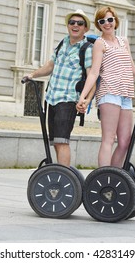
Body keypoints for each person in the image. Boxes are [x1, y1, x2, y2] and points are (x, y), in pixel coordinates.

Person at [76, 6, 135, 168]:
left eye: (110, 19)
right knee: (108, 139)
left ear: (115, 21)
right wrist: (83, 96)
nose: (107, 23)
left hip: (125, 94)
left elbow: (132, 68)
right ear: (99, 24)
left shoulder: (124, 42)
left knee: (125, 141)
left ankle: (115, 178)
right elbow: (94, 73)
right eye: (102, 21)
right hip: (108, 92)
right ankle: (104, 176)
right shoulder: (99, 44)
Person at [25, 9, 96, 167]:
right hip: (52, 98)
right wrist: (32, 75)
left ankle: (65, 177)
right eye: (72, 22)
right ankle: (61, 173)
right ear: (68, 26)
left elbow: (92, 76)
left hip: (68, 99)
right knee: (56, 142)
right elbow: (50, 66)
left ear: (85, 28)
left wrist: (86, 100)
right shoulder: (62, 43)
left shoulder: (87, 49)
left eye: (80, 23)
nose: (75, 25)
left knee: (62, 141)